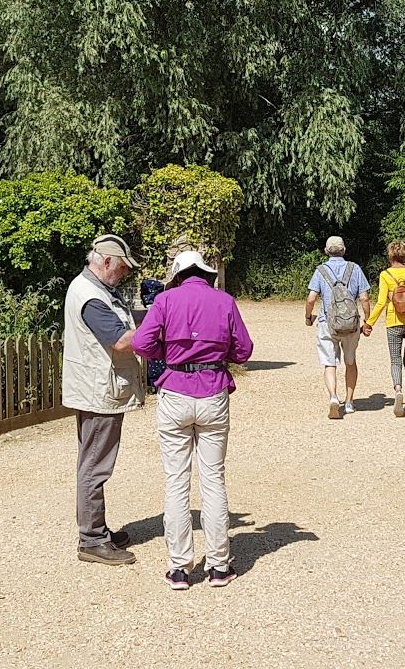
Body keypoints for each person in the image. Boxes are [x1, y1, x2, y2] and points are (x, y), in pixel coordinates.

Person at [132, 249, 255, 590]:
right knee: (213, 480)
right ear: (206, 273)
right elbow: (244, 351)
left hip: (175, 391)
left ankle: (179, 568)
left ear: (178, 274)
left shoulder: (166, 300)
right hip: (213, 390)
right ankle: (218, 566)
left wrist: (169, 354)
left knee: (176, 481)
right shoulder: (225, 301)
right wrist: (217, 355)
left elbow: (142, 344)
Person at [63, 233, 146, 566]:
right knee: (95, 466)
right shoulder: (91, 297)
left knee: (93, 462)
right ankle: (92, 540)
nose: (124, 274)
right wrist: (161, 326)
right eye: (123, 268)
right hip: (99, 392)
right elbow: (122, 341)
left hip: (98, 388)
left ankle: (96, 531)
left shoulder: (97, 289)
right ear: (107, 261)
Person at [303, 236, 370, 419]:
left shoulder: (321, 270)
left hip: (327, 323)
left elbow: (311, 299)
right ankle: (349, 402)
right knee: (350, 362)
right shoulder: (354, 269)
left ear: (326, 251)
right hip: (351, 324)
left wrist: (309, 317)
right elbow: (364, 298)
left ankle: (333, 397)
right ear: (344, 250)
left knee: (329, 363)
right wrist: (367, 321)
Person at [361, 239, 405, 416]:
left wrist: (369, 323)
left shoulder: (385, 275)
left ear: (390, 255)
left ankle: (398, 390)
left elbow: (381, 302)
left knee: (395, 360)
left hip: (393, 322)